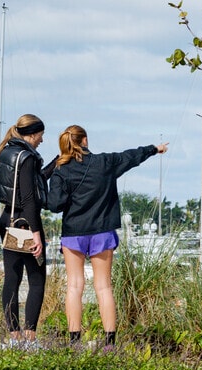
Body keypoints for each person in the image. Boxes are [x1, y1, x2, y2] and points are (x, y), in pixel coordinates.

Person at [46, 125, 168, 348]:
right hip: (102, 232)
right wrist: (154, 149)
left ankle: (75, 341)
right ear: (85, 141)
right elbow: (131, 156)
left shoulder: (60, 170)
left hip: (73, 233)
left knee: (74, 286)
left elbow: (54, 205)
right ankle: (110, 342)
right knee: (104, 287)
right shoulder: (104, 162)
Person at [0, 114, 48, 348]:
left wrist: (55, 163)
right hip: (25, 223)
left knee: (12, 279)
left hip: (7, 219)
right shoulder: (27, 157)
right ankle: (30, 335)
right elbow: (29, 197)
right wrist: (36, 233)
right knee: (36, 280)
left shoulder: (5, 152)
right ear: (32, 134)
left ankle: (13, 334)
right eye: (41, 136)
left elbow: (28, 183)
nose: (42, 141)